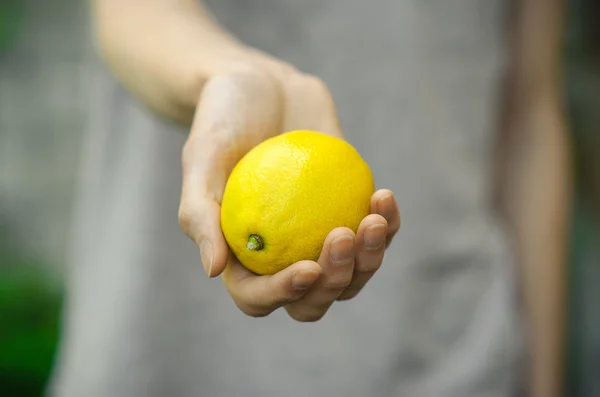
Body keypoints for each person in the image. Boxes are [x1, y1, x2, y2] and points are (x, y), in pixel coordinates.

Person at [48, 0, 571, 396]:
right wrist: (226, 74)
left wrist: (546, 381)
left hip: (449, 350)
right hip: (167, 346)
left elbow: (528, 113)